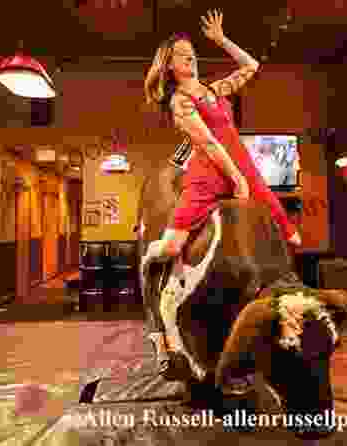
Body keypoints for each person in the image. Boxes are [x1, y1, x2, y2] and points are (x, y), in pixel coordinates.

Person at [142, 10, 301, 366]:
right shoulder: (179, 102)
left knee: (289, 235)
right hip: (209, 172)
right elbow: (211, 145)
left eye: (192, 52)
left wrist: (220, 40)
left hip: (239, 162)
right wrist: (238, 180)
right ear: (169, 67)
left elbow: (251, 67)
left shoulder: (213, 91)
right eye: (182, 55)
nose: (191, 58)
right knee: (170, 246)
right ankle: (146, 269)